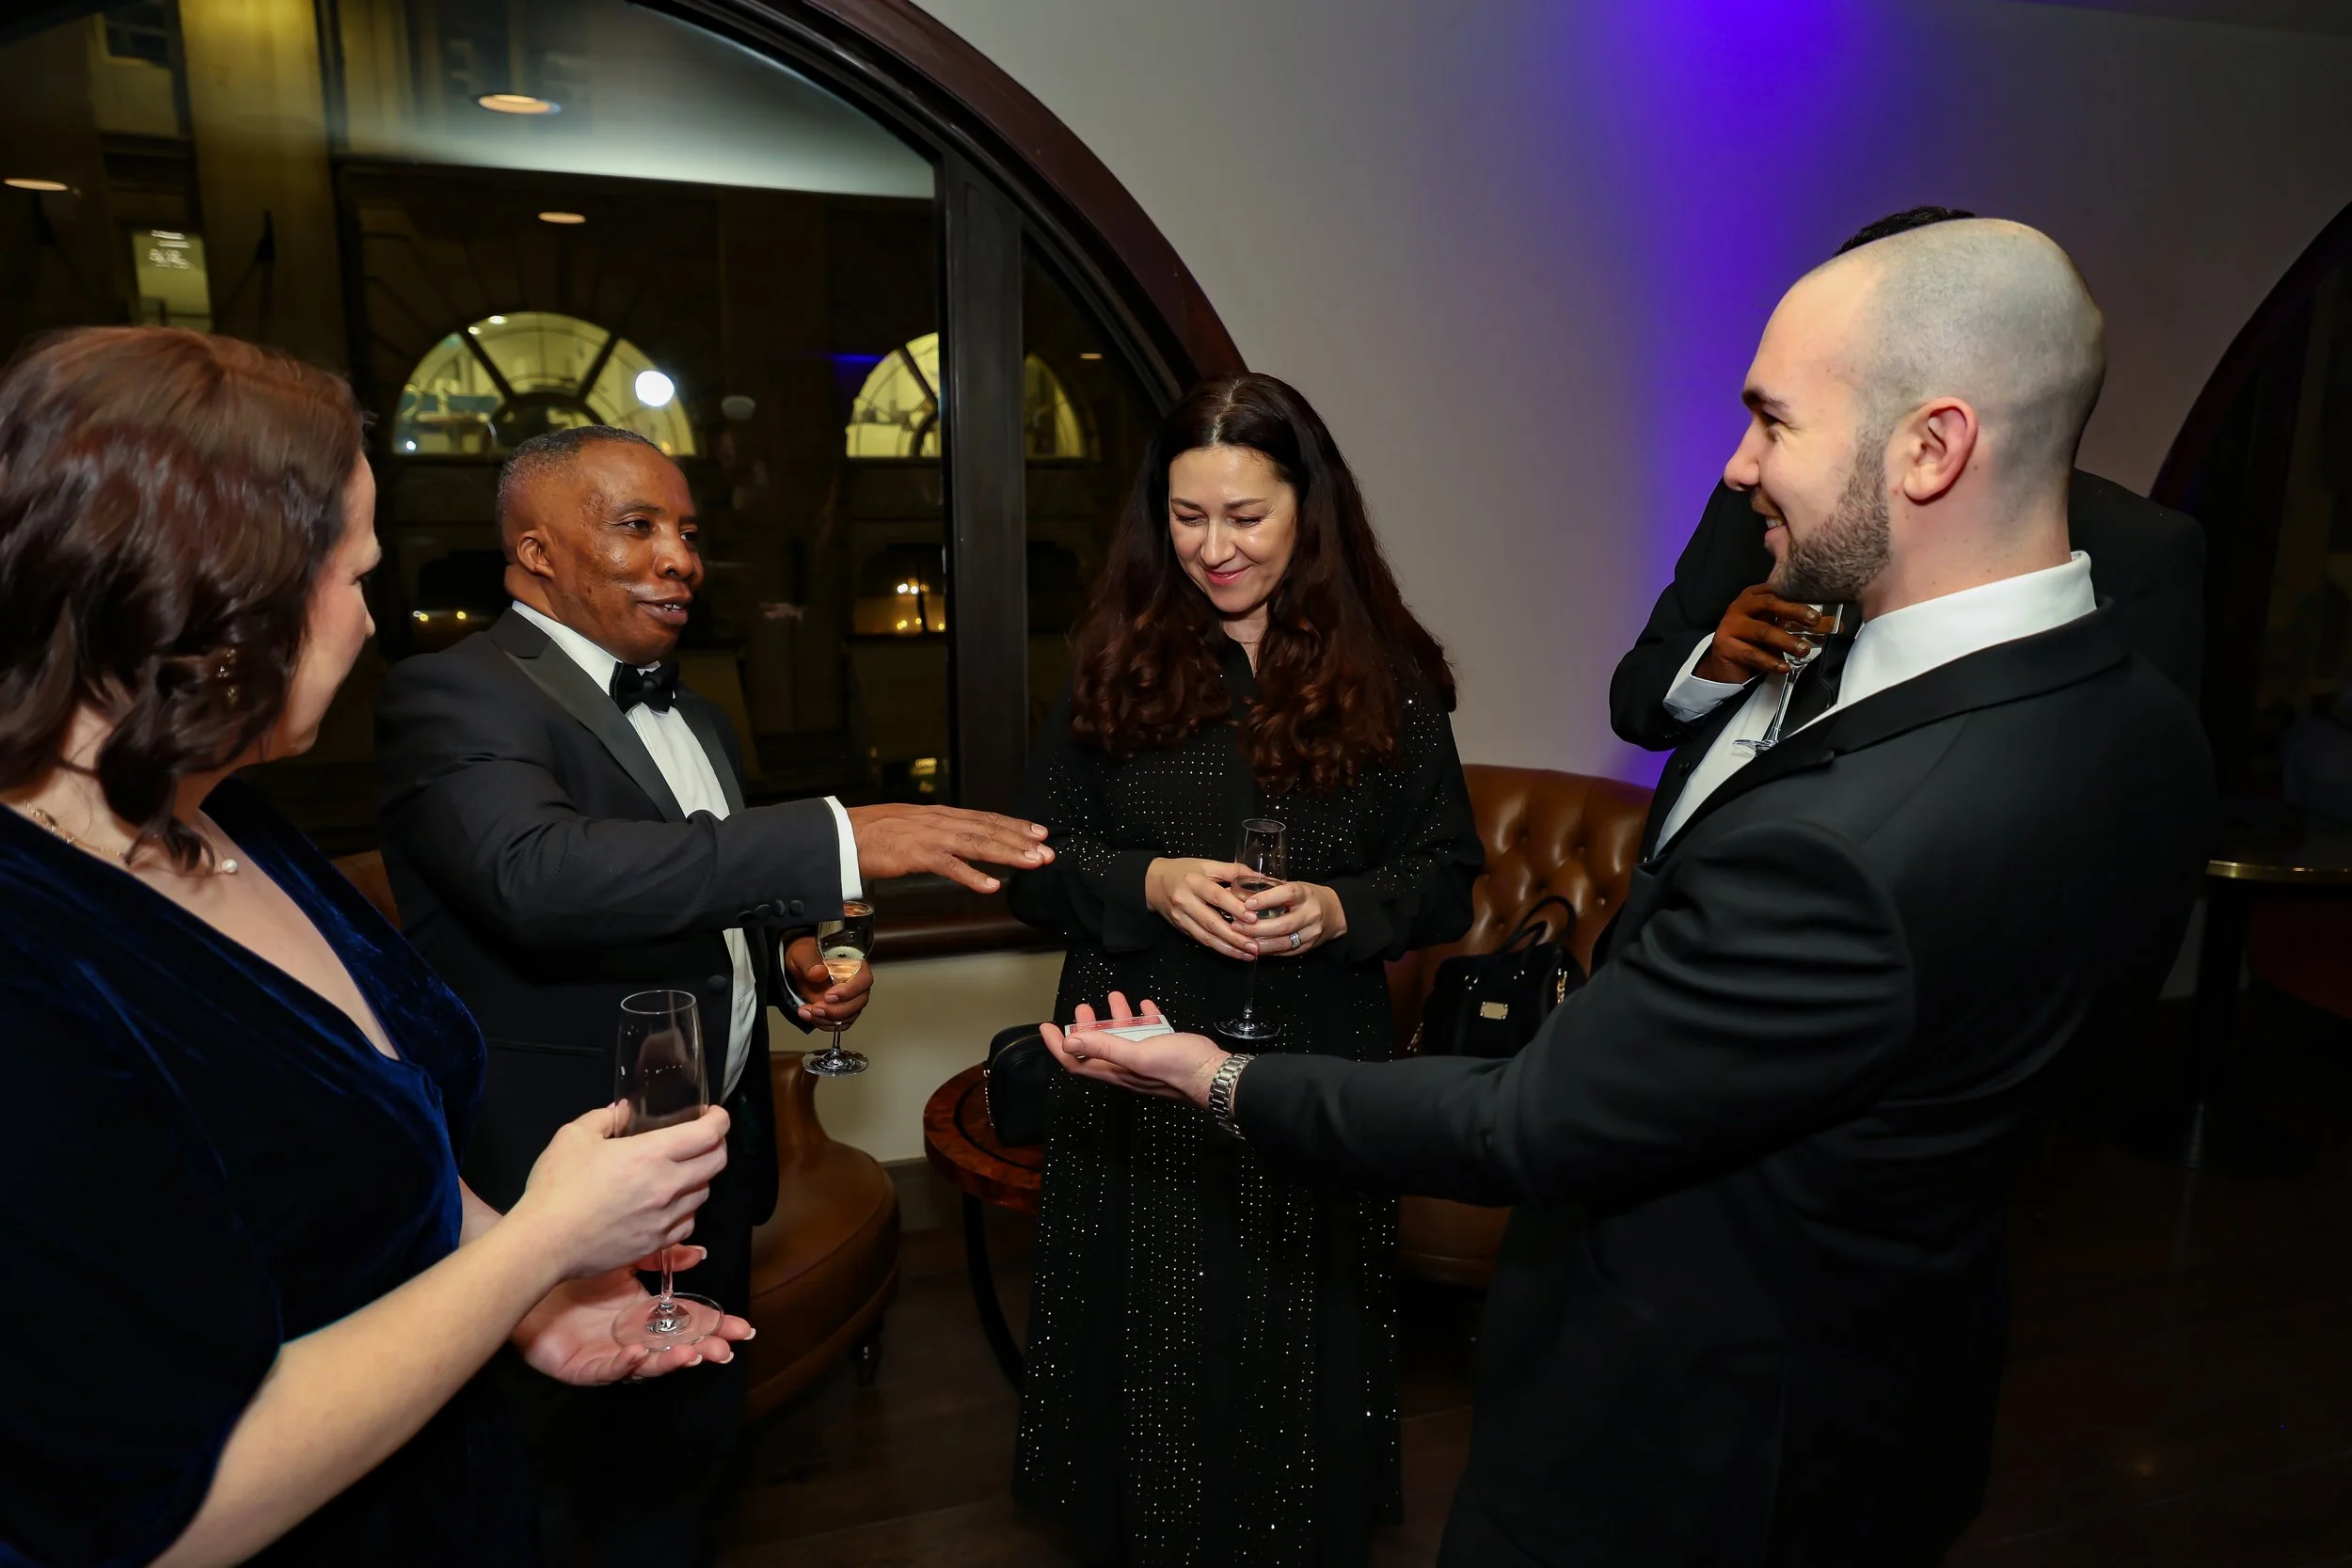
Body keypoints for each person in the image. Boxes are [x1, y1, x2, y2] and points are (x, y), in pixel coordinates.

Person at [1039, 222, 2217, 1567]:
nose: (1737, 465)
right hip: (1898, 1386)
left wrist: (1208, 1073)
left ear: (1932, 447)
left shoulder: (1846, 842)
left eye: (1772, 417)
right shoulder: (2144, 729)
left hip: (1686, 1434)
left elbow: (1523, 1114)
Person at [0, 327, 746, 1568]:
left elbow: (375, 1135)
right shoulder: (27, 955)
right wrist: (540, 1243)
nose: (367, 619)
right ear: (212, 595)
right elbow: (162, 1509)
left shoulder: (227, 814)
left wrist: (532, 1307)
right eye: (351, 576)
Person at [374, 424, 1055, 1565]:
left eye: (687, 531)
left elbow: (692, 891)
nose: (680, 556)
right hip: (554, 1172)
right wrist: (843, 835)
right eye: (637, 525)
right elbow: (540, 878)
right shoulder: (453, 693)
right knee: (552, 1481)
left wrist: (785, 960)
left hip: (709, 1157)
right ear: (536, 552)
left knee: (684, 1458)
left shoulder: (699, 714)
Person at [1006, 372, 1483, 1566]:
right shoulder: (1114, 663)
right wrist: (1148, 880)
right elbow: (1032, 866)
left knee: (1295, 1351)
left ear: (1307, 514)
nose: (1212, 548)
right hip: (1138, 1064)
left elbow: (1447, 874)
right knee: (1151, 1359)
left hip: (1315, 1061)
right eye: (1185, 516)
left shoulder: (1390, 677)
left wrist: (1341, 906)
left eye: (1245, 517)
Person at [1610, 205, 2205, 761]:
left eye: (1777, 419)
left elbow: (2129, 777)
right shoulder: (1761, 501)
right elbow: (1635, 698)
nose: (1742, 467)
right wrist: (1713, 663)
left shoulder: (2139, 550)